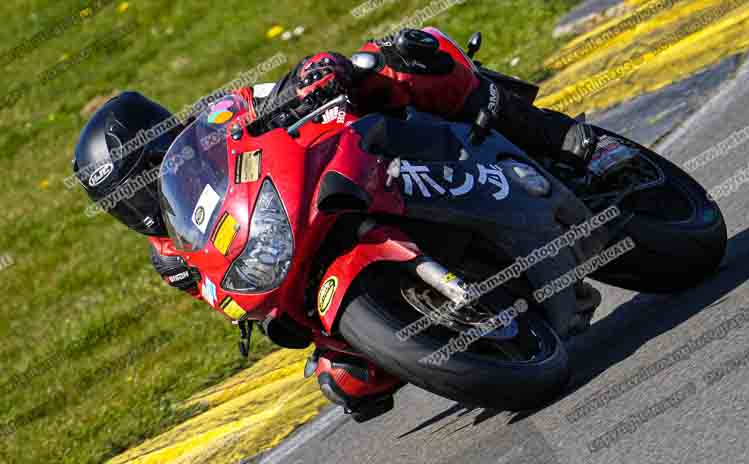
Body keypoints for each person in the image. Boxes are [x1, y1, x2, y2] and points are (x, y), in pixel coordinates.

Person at [73, 27, 598, 420]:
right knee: (345, 382)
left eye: (139, 179)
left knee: (398, 61)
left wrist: (315, 76)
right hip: (301, 261)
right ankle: (460, 327)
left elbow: (286, 84)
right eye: (120, 197)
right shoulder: (171, 257)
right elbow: (229, 299)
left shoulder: (216, 121)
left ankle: (550, 136)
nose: (136, 201)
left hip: (350, 163)